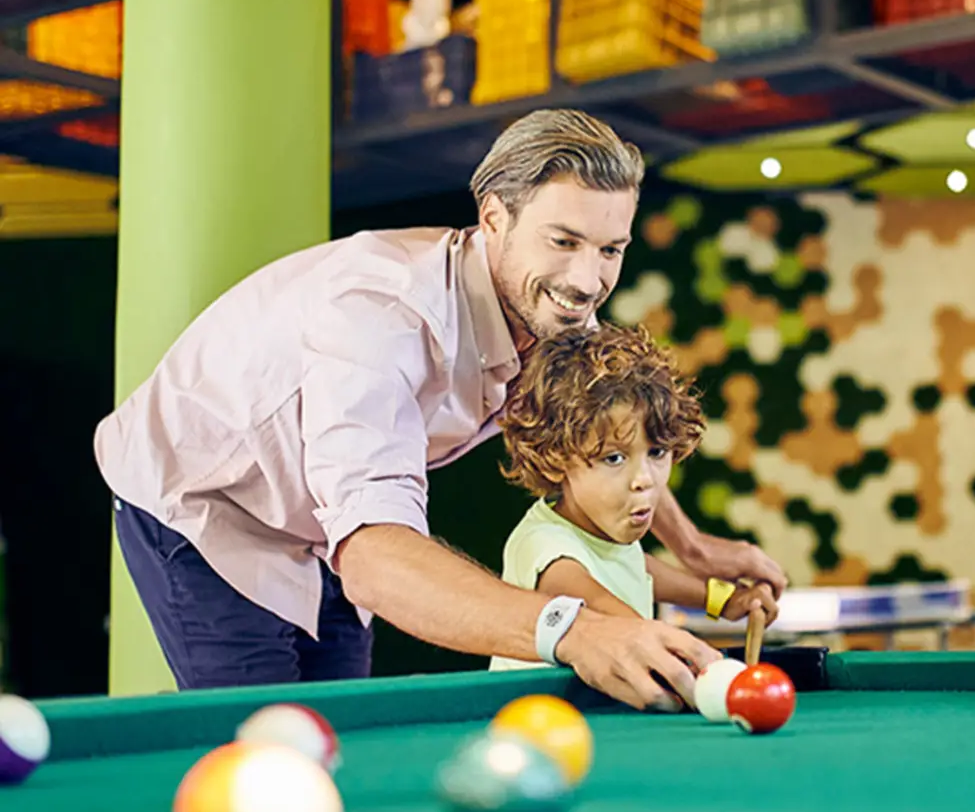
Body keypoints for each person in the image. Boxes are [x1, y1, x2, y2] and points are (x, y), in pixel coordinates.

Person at [95, 109, 786, 708]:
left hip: (325, 518)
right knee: (268, 751)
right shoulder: (380, 318)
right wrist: (571, 629)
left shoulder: (559, 311)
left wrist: (695, 550)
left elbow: (608, 434)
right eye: (563, 242)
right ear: (494, 219)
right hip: (208, 505)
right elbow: (371, 558)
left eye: (611, 250)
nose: (587, 281)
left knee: (338, 737)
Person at [488, 323, 777, 670]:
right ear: (554, 460)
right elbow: (596, 602)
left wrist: (723, 598)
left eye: (656, 453)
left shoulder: (600, 530)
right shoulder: (544, 547)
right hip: (539, 722)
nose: (644, 480)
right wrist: (687, 657)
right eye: (614, 458)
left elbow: (635, 570)